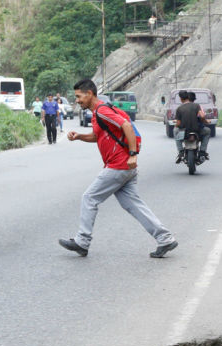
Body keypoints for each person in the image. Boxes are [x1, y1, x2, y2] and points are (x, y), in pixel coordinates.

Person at [59, 78, 178, 259]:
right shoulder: (99, 113)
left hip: (119, 165)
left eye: (78, 96)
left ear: (89, 94)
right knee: (132, 204)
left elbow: (127, 125)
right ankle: (165, 238)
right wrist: (79, 137)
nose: (77, 100)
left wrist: (132, 153)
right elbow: (97, 136)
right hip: (124, 167)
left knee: (89, 198)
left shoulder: (102, 111)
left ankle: (82, 241)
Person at [173, 90, 210, 164]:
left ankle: (180, 151)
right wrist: (205, 122)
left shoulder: (179, 108)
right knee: (208, 131)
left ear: (181, 99)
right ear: (188, 97)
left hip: (184, 132)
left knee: (175, 131)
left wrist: (176, 125)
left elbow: (179, 123)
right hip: (196, 130)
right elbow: (202, 116)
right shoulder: (196, 105)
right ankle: (202, 151)